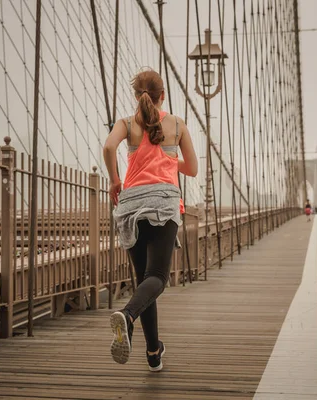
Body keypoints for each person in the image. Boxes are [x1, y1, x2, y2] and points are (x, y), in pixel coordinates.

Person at [102, 69, 198, 372]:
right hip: (163, 204)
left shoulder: (127, 124)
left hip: (129, 204)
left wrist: (115, 180)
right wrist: (170, 158)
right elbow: (192, 169)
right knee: (158, 278)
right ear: (163, 96)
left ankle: (154, 353)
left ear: (136, 96)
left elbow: (108, 147)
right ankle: (127, 316)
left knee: (145, 280)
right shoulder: (177, 124)